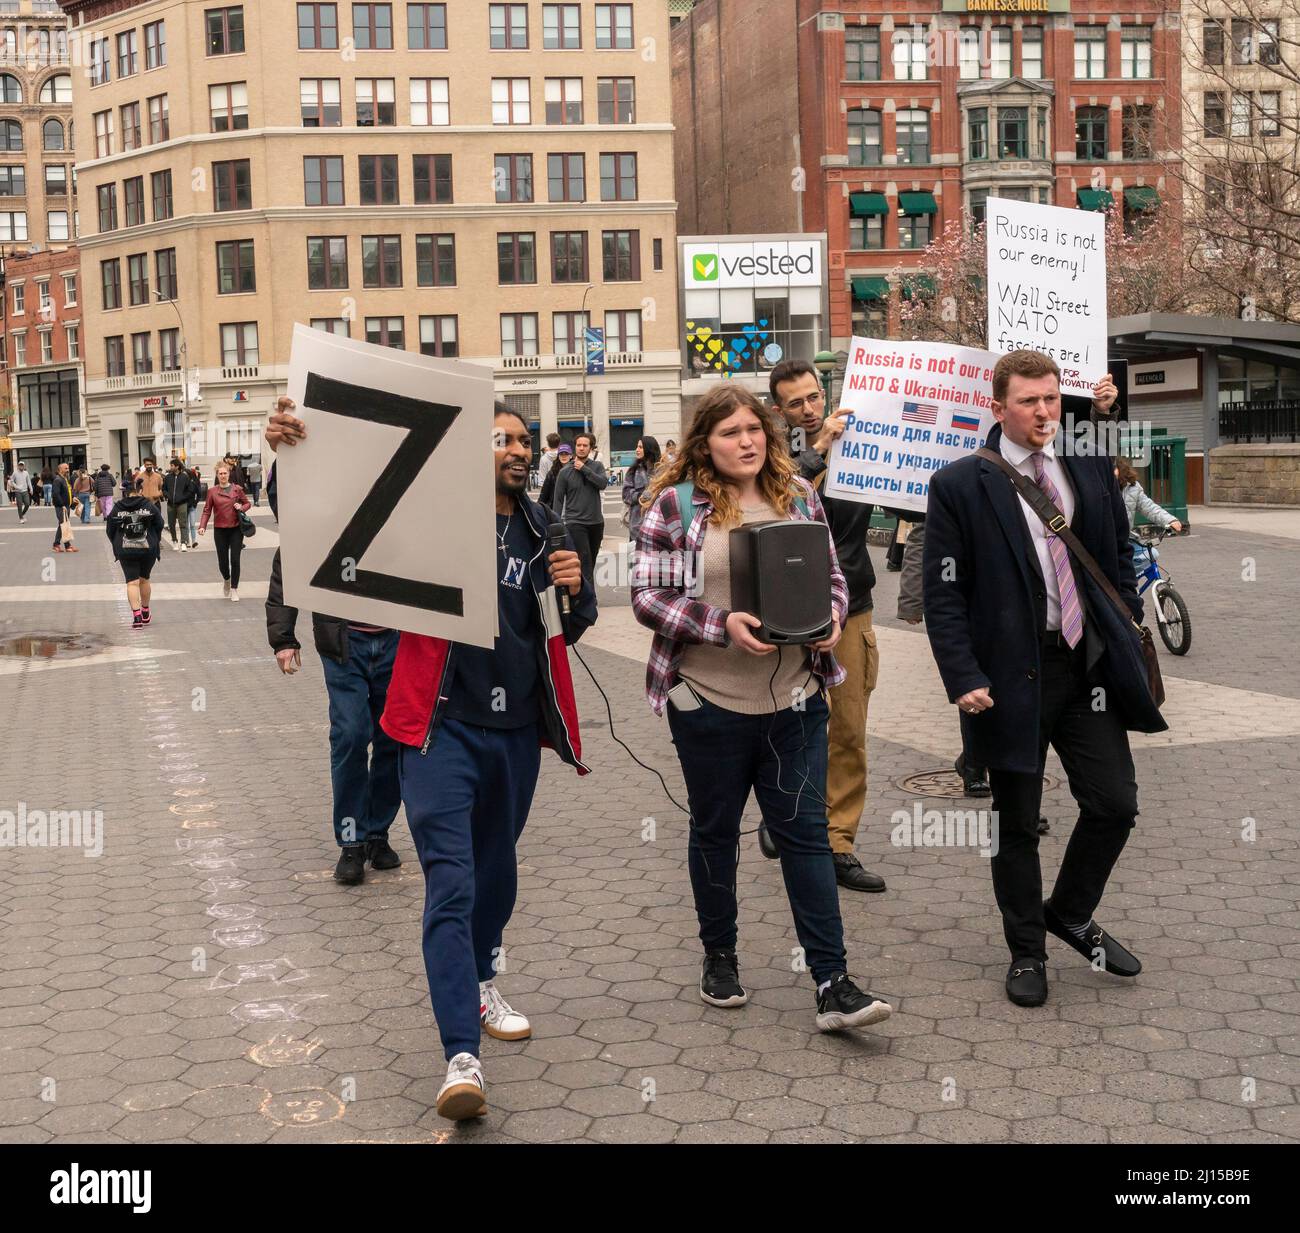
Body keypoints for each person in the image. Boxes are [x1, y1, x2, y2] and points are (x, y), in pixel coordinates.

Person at [630, 384, 893, 1035]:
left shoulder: (799, 497)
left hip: (796, 702)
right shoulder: (676, 505)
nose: (746, 440)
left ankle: (833, 981)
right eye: (729, 432)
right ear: (704, 443)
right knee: (716, 833)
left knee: (805, 835)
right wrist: (720, 623)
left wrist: (831, 618)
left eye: (754, 428)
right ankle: (720, 956)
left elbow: (832, 577)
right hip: (708, 705)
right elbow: (646, 597)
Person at [923, 350, 1167, 1009]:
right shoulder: (960, 484)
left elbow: (1117, 551)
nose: (1043, 412)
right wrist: (961, 673)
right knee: (1016, 822)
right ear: (997, 407)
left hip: (1084, 666)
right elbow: (942, 595)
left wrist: (1121, 626)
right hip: (1007, 677)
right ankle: (1027, 951)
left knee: (1114, 802)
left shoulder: (1086, 462)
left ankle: (1070, 910)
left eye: (1052, 399)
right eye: (1029, 401)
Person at [375, 404, 596, 1121]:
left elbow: (568, 627)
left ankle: (480, 976)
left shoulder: (541, 530)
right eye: (500, 438)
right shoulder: (429, 516)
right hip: (437, 729)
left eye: (524, 440)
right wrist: (291, 444)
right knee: (453, 883)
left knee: (497, 874)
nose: (516, 449)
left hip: (513, 732)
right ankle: (460, 1056)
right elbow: (340, 514)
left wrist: (575, 586)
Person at [264, 397, 403, 886]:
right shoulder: (320, 505)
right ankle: (349, 840)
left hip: (396, 643)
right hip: (342, 646)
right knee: (350, 737)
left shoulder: (399, 498)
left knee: (392, 742)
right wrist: (283, 637)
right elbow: (289, 561)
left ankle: (377, 833)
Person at [767, 359, 886, 893]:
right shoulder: (772, 459)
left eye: (814, 397)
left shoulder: (864, 443)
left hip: (851, 607)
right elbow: (779, 501)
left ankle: (838, 844)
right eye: (796, 403)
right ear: (780, 411)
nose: (810, 409)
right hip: (787, 615)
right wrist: (817, 453)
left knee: (848, 731)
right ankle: (784, 813)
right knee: (784, 727)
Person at [550, 431, 607, 583]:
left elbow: (602, 484)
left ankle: (582, 592)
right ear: (575, 447)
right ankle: (589, 601)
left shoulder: (597, 466)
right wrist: (557, 526)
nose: (581, 448)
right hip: (575, 523)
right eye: (579, 445)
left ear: (591, 448)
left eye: (585, 445)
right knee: (585, 561)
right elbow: (558, 501)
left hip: (596, 523)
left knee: (591, 562)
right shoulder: (564, 472)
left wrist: (584, 469)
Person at [107, 488, 164, 629]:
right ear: (139, 492)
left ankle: (136, 616)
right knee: (144, 580)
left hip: (126, 550)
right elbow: (160, 523)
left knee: (132, 583)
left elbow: (110, 529)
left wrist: (116, 542)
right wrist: (154, 538)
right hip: (147, 548)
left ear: (126, 494)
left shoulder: (118, 507)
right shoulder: (148, 505)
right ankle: (145, 611)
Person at [198, 463, 251, 600]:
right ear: (217, 475)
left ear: (229, 474)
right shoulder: (212, 492)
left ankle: (234, 589)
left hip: (235, 529)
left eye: (225, 473)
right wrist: (202, 526)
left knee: (235, 560)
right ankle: (226, 580)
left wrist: (241, 507)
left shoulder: (237, 489)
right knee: (222, 562)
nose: (223, 476)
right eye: (220, 473)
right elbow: (207, 510)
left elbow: (247, 503)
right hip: (220, 530)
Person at [1116, 456, 1183, 535]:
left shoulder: (1132, 487)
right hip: (1103, 541)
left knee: (1150, 548)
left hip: (1124, 538)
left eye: (1113, 467)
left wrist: (1169, 520)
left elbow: (1149, 507)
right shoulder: (1100, 487)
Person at [620, 436, 661, 539]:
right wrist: (640, 496)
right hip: (637, 526)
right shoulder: (633, 470)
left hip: (658, 525)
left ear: (649, 449)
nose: (637, 450)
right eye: (637, 447)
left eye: (640, 447)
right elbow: (625, 494)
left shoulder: (662, 469)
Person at [161, 458, 196, 551]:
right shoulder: (168, 477)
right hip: (170, 504)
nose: (170, 467)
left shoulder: (185, 477)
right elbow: (163, 489)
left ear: (177, 466)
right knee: (171, 524)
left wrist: (183, 497)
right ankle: (174, 541)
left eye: (172, 465)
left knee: (183, 524)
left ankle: (184, 543)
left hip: (182, 504)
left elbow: (190, 490)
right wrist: (167, 496)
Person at [50, 462, 78, 553]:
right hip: (61, 507)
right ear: (60, 469)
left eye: (68, 468)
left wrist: (73, 497)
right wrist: (62, 505)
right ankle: (66, 546)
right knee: (64, 525)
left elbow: (68, 491)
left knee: (63, 525)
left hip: (66, 506)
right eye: (65, 468)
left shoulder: (65, 479)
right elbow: (55, 494)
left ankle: (57, 545)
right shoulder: (58, 480)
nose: (68, 470)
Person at [538, 441, 571, 510]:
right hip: (555, 507)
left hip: (571, 509)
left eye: (566, 454)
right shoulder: (552, 473)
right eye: (561, 454)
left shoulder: (576, 471)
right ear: (558, 456)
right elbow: (544, 493)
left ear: (570, 456)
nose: (563, 456)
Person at [187, 466, 205, 547]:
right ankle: (186, 541)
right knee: (186, 525)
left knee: (192, 525)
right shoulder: (183, 482)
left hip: (192, 506)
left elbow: (199, 494)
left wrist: (195, 502)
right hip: (184, 506)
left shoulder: (194, 482)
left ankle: (193, 541)